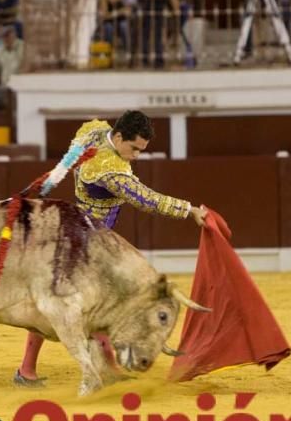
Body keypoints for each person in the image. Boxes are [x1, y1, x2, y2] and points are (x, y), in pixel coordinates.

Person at [14, 111, 209, 387]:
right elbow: (146, 199)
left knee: (74, 303)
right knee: (71, 306)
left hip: (82, 234)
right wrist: (188, 210)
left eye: (141, 150)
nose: (136, 156)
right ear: (118, 137)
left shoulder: (93, 131)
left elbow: (79, 143)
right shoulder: (110, 171)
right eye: (134, 149)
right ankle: (37, 369)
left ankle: (34, 369)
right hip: (86, 245)